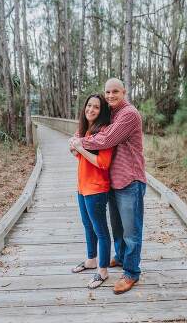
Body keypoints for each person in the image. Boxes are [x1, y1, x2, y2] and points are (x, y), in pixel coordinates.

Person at [69, 78, 146, 294]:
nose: (110, 96)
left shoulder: (128, 114)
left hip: (130, 179)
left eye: (115, 92)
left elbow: (105, 139)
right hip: (112, 180)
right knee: (118, 228)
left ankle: (131, 272)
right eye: (108, 92)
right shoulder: (111, 113)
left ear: (124, 92)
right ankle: (121, 257)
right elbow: (92, 127)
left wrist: (78, 143)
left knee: (131, 230)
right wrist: (76, 137)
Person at [70, 94, 113, 289]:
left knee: (101, 231)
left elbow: (103, 163)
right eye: (89, 106)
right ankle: (91, 260)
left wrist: (80, 148)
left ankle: (103, 271)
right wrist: (76, 150)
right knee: (87, 226)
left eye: (96, 107)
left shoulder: (104, 132)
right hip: (82, 187)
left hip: (96, 189)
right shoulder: (86, 130)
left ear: (102, 111)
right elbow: (82, 158)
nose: (91, 110)